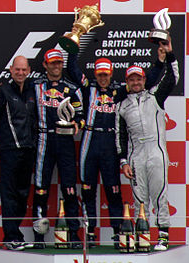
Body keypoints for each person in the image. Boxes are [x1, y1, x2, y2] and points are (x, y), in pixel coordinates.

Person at [67, 35, 170, 248]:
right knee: (87, 189)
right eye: (100, 74)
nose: (103, 78)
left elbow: (146, 81)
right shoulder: (88, 88)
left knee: (113, 189)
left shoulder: (119, 91)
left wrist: (160, 62)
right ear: (95, 74)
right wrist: (73, 44)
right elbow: (73, 70)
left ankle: (117, 232)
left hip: (110, 142)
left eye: (106, 74)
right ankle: (89, 232)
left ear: (111, 74)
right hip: (89, 139)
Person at [115, 38, 179, 251]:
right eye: (131, 79)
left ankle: (163, 235)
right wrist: (123, 161)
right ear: (127, 82)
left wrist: (169, 54)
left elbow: (173, 77)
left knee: (160, 194)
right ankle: (141, 235)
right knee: (139, 198)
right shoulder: (121, 106)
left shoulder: (155, 96)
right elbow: (120, 136)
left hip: (156, 152)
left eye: (139, 79)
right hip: (136, 156)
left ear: (144, 80)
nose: (136, 82)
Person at [33, 49, 85, 249]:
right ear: (45, 65)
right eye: (52, 63)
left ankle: (73, 234)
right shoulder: (35, 85)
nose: (56, 66)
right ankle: (39, 236)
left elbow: (81, 116)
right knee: (40, 189)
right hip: (43, 139)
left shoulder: (72, 88)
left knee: (70, 189)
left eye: (58, 63)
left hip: (65, 141)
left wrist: (76, 126)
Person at [0, 56, 37, 251]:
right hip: (8, 151)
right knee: (9, 195)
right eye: (17, 70)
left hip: (28, 150)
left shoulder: (32, 89)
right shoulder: (2, 91)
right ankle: (10, 237)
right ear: (11, 69)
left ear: (29, 70)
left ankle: (16, 235)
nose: (21, 73)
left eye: (24, 70)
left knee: (23, 195)